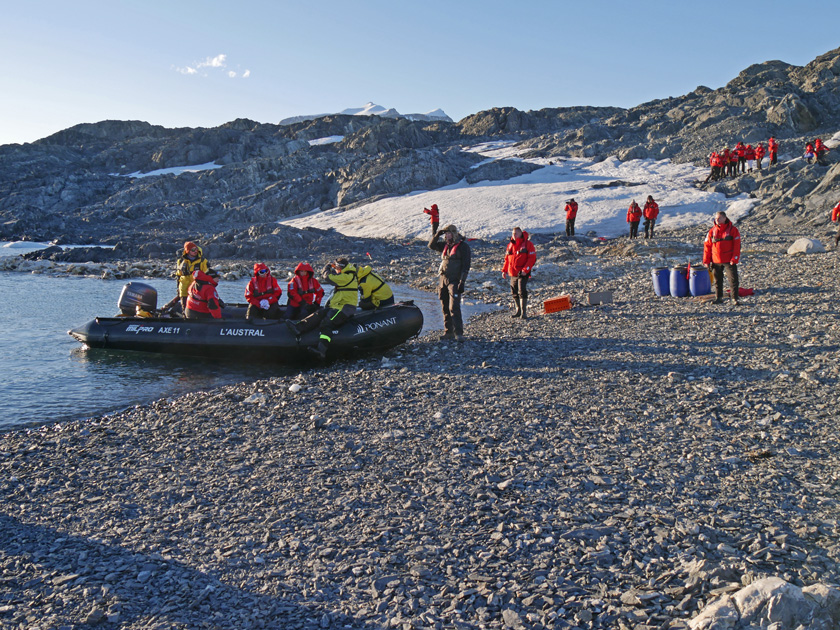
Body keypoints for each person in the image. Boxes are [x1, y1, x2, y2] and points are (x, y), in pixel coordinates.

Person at [285, 258, 358, 359]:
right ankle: (298, 328)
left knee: (326, 323)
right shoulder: (346, 275)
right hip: (337, 306)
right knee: (320, 312)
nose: (335, 269)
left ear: (340, 267)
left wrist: (327, 267)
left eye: (336, 267)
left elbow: (327, 276)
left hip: (344, 308)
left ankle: (321, 350)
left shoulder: (346, 276)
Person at [429, 224, 471, 341]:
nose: (447, 236)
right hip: (443, 279)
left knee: (454, 307)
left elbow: (466, 265)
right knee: (444, 305)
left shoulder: (463, 247)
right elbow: (431, 245)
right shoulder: (445, 246)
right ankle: (448, 332)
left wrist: (462, 282)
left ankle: (459, 333)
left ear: (454, 234)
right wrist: (438, 234)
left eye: (449, 233)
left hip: (455, 280)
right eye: (446, 234)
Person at [703, 211, 741, 305]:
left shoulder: (733, 230)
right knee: (717, 280)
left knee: (733, 280)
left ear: (725, 218)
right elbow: (707, 246)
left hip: (729, 260)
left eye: (719, 218)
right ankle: (718, 298)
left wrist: (734, 258)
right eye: (716, 218)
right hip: (716, 260)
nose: (717, 220)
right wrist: (706, 261)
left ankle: (734, 298)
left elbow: (737, 245)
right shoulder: (712, 231)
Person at [502, 227, 537, 319]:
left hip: (522, 272)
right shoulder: (510, 245)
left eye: (516, 233)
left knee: (522, 290)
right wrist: (504, 270)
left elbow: (532, 258)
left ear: (521, 234)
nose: (514, 235)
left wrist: (526, 270)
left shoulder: (528, 244)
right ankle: (518, 310)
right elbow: (507, 259)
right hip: (512, 272)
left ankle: (524, 312)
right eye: (513, 233)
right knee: (514, 291)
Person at [176, 241, 209, 312]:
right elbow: (178, 275)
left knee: (197, 305)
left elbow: (207, 275)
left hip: (196, 288)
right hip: (183, 287)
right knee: (184, 306)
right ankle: (185, 317)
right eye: (193, 250)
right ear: (187, 251)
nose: (195, 251)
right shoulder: (181, 261)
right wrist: (178, 288)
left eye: (196, 249)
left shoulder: (202, 261)